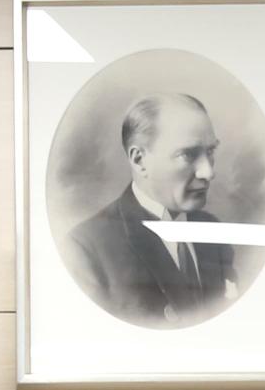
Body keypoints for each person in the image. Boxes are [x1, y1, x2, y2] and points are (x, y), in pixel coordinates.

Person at [68, 91, 238, 328]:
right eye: (187, 155)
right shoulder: (86, 248)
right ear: (139, 160)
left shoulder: (213, 231)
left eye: (210, 152)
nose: (208, 172)